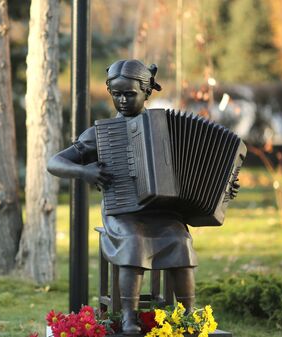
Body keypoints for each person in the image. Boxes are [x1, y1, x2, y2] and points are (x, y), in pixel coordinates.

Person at [47, 60, 197, 335]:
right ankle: (129, 316)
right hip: (122, 212)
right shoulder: (101, 135)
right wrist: (84, 171)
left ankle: (188, 316)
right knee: (132, 239)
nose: (122, 100)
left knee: (181, 239)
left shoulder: (167, 130)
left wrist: (225, 190)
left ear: (146, 92)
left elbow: (198, 170)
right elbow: (54, 163)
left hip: (161, 213)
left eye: (129, 94)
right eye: (116, 94)